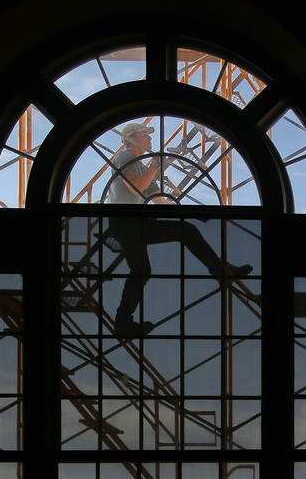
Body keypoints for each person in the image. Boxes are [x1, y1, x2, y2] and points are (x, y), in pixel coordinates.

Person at [106, 122, 253, 338]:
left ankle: (220, 270)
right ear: (133, 137)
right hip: (125, 223)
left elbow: (160, 201)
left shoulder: (144, 168)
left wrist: (191, 213)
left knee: (184, 232)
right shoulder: (123, 157)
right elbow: (135, 186)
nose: (149, 138)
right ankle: (122, 322)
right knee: (142, 270)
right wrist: (156, 164)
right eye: (145, 134)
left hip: (134, 223)